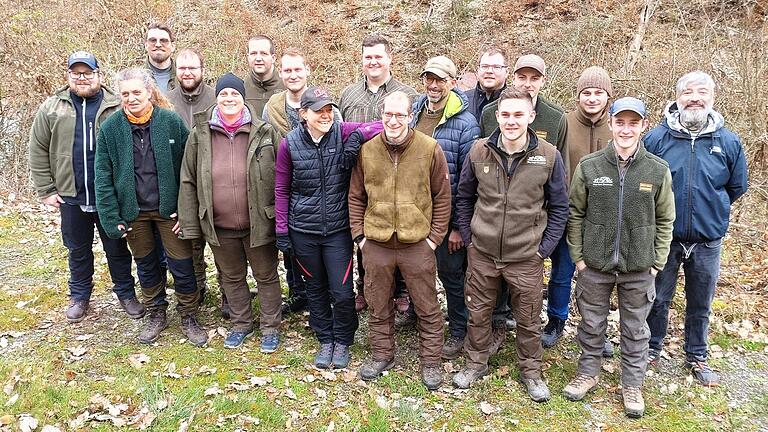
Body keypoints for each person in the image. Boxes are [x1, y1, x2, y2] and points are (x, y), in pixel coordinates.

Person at [453, 87, 568, 402]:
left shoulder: (548, 155)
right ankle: (475, 363)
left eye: (518, 114)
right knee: (478, 312)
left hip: (525, 256)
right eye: (505, 114)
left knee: (529, 318)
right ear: (497, 116)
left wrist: (542, 250)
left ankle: (531, 372)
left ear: (530, 116)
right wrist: (471, 237)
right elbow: (464, 197)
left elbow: (559, 207)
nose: (511, 121)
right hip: (483, 253)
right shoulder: (479, 151)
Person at [563, 97, 675, 418]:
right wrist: (580, 258)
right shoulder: (590, 166)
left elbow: (666, 219)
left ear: (643, 126)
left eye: (633, 123)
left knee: (636, 328)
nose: (626, 129)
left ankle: (632, 383)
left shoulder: (657, 169)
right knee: (592, 323)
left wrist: (657, 262)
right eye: (620, 122)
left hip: (639, 267)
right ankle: (588, 372)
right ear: (610, 124)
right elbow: (575, 213)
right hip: (594, 266)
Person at [645, 71, 748, 386]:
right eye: (688, 91)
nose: (695, 97)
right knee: (658, 297)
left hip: (707, 240)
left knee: (700, 301)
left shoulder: (728, 141)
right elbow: (643, 185)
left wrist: (710, 212)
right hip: (666, 238)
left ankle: (697, 355)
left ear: (712, 97)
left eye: (702, 91)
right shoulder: (656, 139)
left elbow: (736, 187)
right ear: (677, 97)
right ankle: (651, 348)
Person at [94, 68, 206, 346]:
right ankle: (155, 312)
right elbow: (102, 175)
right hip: (135, 213)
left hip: (170, 211)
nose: (131, 99)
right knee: (145, 264)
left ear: (149, 93)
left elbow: (189, 169)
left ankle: (189, 315)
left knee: (182, 264)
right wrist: (111, 215)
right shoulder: (111, 128)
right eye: (125, 94)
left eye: (136, 93)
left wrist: (187, 209)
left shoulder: (170, 122)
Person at [28, 51, 141, 323]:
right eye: (76, 73)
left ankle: (126, 293)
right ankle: (80, 296)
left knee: (117, 248)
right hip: (71, 195)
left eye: (87, 73)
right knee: (77, 249)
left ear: (98, 75)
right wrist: (46, 189)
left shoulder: (116, 104)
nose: (82, 78)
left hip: (109, 196)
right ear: (68, 76)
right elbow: (38, 148)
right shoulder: (53, 107)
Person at [349, 91, 451, 390]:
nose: (393, 121)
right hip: (377, 243)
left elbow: (443, 197)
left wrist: (433, 240)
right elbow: (356, 196)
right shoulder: (367, 151)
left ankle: (431, 362)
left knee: (427, 306)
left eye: (400, 115)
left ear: (410, 116)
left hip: (417, 244)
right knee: (378, 304)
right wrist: (360, 237)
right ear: (382, 116)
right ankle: (382, 354)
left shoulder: (430, 149)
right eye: (388, 115)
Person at [274, 86, 382, 369]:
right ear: (303, 114)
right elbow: (282, 188)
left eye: (328, 110)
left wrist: (357, 136)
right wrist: (283, 230)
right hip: (303, 231)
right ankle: (325, 338)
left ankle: (344, 339)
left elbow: (382, 125)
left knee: (343, 291)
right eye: (318, 111)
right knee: (315, 288)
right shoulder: (290, 144)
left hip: (337, 231)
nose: (325, 115)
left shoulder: (342, 130)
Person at [178, 73, 283, 350]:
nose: (229, 99)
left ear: (243, 98)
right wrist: (190, 222)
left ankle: (271, 327)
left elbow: (282, 176)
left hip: (259, 222)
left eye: (234, 94)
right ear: (217, 98)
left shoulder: (264, 131)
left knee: (267, 276)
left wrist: (281, 217)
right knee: (231, 277)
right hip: (219, 224)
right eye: (224, 94)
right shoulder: (200, 134)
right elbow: (188, 179)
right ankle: (241, 323)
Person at [483, 54, 565, 350]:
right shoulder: (490, 113)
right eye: (522, 77)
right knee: (488, 292)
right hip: (491, 230)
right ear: (512, 77)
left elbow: (558, 191)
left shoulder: (557, 118)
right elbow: (483, 165)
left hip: (529, 229)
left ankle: (529, 353)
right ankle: (494, 330)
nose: (528, 84)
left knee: (527, 299)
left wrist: (543, 246)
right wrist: (471, 235)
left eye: (534, 78)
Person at [338, 33, 417, 314]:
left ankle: (402, 292)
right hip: (360, 177)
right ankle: (364, 288)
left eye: (378, 56)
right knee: (364, 235)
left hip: (398, 176)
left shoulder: (408, 94)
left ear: (389, 58)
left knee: (399, 233)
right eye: (368, 57)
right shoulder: (348, 95)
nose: (373, 62)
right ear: (361, 60)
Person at [410, 56, 480, 360]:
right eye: (429, 78)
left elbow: (468, 180)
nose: (433, 85)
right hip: (414, 212)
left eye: (440, 79)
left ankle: (458, 329)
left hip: (446, 217)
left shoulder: (466, 123)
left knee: (451, 275)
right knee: (415, 270)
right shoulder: (414, 112)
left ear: (452, 82)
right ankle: (418, 315)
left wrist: (455, 227)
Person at [543, 66, 614, 352]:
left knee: (599, 278)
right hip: (568, 213)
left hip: (604, 218)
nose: (592, 98)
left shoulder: (617, 126)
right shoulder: (565, 122)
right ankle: (556, 321)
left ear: (608, 96)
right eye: (586, 93)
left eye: (598, 93)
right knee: (562, 272)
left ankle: (595, 329)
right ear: (578, 96)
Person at [167, 47, 217, 311]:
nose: (187, 72)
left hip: (214, 181)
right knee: (189, 241)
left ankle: (230, 293)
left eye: (192, 68)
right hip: (181, 183)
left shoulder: (216, 98)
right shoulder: (165, 99)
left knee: (221, 242)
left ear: (202, 70)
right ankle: (196, 289)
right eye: (182, 68)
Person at [244, 35, 285, 117]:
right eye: (253, 53)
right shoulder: (241, 88)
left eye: (264, 53)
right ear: (248, 57)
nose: (258, 58)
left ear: (273, 58)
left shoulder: (287, 86)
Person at [465, 47, 508, 122]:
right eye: (485, 66)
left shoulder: (515, 102)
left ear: (507, 72)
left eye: (496, 67)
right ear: (477, 70)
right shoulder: (462, 101)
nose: (489, 71)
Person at [144, 22, 177, 94]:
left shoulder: (185, 77)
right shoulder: (134, 78)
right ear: (146, 45)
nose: (158, 45)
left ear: (173, 46)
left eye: (163, 41)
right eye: (153, 40)